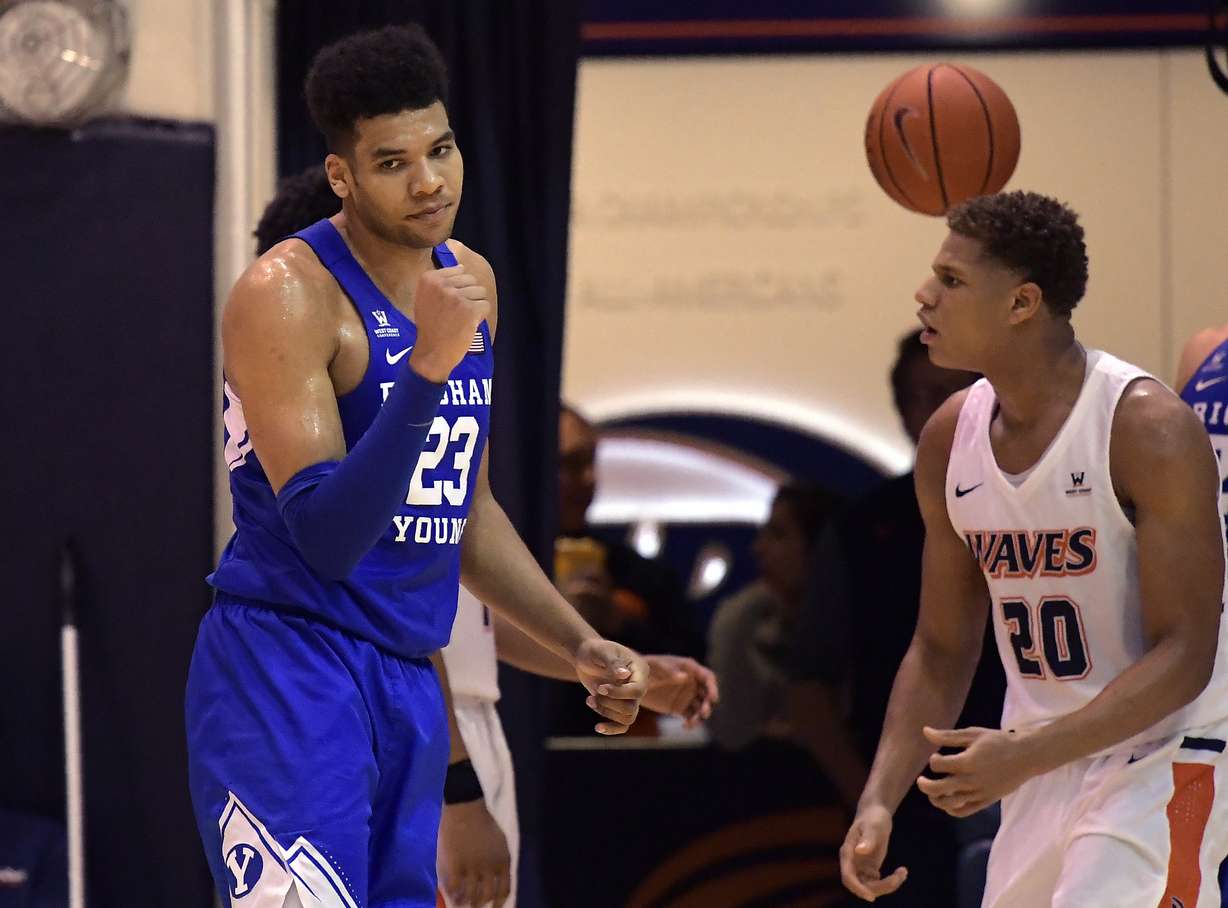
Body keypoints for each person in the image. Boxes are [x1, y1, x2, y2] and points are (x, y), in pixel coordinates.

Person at [186, 25, 653, 908]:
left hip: (405, 676)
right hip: (291, 667)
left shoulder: (467, 277)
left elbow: (461, 509)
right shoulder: (285, 294)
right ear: (342, 177)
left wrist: (577, 640)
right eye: (393, 162)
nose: (430, 181)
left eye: (440, 149)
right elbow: (325, 536)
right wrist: (427, 371)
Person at [247, 162, 720, 908]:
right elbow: (389, 615)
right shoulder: (334, 421)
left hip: (456, 719)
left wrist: (601, 660)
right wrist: (458, 791)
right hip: (388, 728)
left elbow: (475, 617)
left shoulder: (415, 389)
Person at [840, 191, 1228, 907]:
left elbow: (1187, 654)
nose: (925, 296)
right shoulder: (949, 438)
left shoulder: (1144, 428)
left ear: (1022, 303)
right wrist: (879, 799)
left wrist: (1025, 754)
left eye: (952, 282)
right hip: (1037, 760)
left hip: (1158, 757)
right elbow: (940, 648)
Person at [794, 330, 996, 905]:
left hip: (1026, 770)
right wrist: (875, 795)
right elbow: (808, 687)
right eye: (929, 394)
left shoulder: (1028, 505)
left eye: (963, 391)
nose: (949, 411)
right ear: (904, 410)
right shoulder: (862, 528)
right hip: (912, 796)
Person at [706, 482, 839, 751]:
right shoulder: (752, 625)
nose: (759, 549)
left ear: (820, 547)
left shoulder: (857, 636)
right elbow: (731, 733)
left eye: (778, 535)